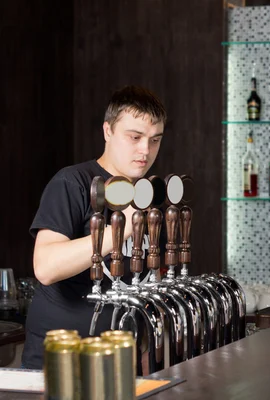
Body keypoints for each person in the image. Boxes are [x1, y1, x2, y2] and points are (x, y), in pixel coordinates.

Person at [23, 86, 167, 369]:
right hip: (65, 358)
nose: (145, 150)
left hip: (124, 358)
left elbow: (151, 279)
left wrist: (151, 346)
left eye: (155, 140)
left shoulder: (149, 194)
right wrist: (124, 224)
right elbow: (46, 267)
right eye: (135, 137)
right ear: (107, 131)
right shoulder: (73, 183)